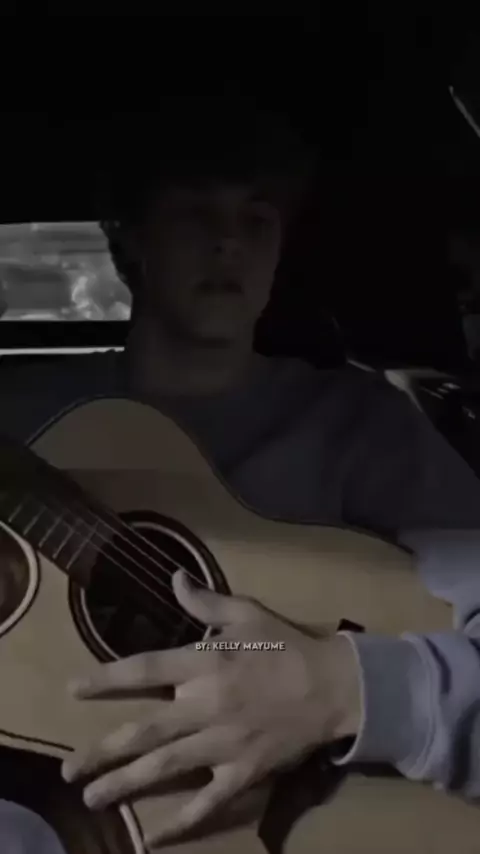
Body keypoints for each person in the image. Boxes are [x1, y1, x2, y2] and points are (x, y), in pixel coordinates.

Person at [2, 96, 480, 852]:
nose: (229, 241)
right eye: (196, 215)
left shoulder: (363, 427)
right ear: (128, 246)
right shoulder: (20, 416)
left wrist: (338, 686)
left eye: (256, 219)